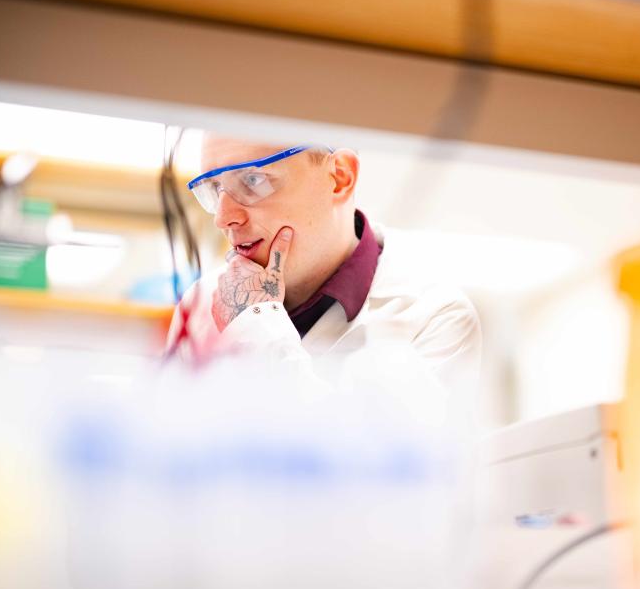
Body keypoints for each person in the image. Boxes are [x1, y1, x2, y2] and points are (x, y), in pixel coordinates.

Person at [165, 134, 481, 414]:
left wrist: (258, 327)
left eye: (252, 180)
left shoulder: (437, 317)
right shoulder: (201, 304)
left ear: (339, 177)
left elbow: (363, 470)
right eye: (215, 188)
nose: (224, 218)